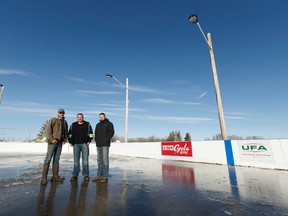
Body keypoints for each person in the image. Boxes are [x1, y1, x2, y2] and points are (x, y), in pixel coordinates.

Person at [41, 108, 68, 185]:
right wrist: (52, 139)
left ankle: (55, 176)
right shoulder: (53, 120)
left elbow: (65, 132)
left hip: (59, 143)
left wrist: (64, 140)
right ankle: (44, 178)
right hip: (52, 142)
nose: (62, 114)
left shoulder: (64, 122)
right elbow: (47, 131)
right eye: (60, 112)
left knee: (56, 159)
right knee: (48, 159)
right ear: (58, 113)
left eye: (63, 113)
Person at [68, 113, 93, 182]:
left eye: (81, 117)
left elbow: (91, 133)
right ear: (77, 118)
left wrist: (89, 141)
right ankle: (75, 175)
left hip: (84, 144)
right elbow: (69, 134)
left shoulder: (87, 124)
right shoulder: (73, 125)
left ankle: (86, 175)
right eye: (78, 117)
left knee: (85, 160)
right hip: (76, 145)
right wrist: (71, 142)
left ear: (83, 117)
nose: (80, 118)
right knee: (76, 161)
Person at [92, 113, 114, 183]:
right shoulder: (98, 125)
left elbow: (111, 132)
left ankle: (105, 176)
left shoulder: (109, 124)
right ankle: (99, 175)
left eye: (102, 117)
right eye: (100, 117)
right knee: (99, 161)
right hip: (98, 145)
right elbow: (95, 133)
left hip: (105, 145)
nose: (101, 118)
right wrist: (96, 141)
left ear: (104, 117)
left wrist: (106, 140)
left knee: (105, 161)